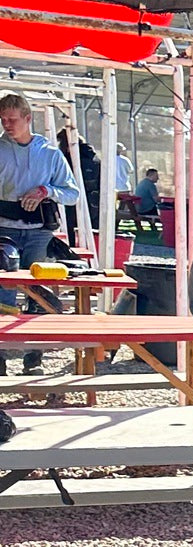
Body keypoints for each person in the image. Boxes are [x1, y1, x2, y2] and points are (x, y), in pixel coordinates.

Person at [0, 93, 79, 375]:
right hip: (4, 230)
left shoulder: (50, 154)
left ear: (27, 119)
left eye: (12, 119)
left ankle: (33, 357)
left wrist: (46, 191)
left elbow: (73, 194)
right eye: (3, 119)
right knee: (3, 292)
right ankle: (1, 359)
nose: (6, 124)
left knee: (37, 292)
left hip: (38, 232)